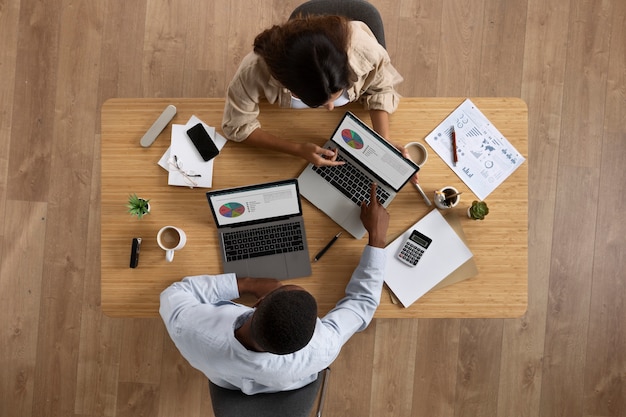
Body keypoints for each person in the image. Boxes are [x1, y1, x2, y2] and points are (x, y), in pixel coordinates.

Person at [159, 183, 390, 394]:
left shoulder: (191, 330)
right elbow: (362, 303)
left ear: (257, 302)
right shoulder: (322, 348)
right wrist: (377, 239)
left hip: (222, 371)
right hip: (281, 379)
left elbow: (173, 294)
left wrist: (248, 283)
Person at [221, 14, 407, 169]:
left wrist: (383, 142)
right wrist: (297, 149)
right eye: (319, 103)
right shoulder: (254, 70)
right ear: (285, 84)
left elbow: (380, 89)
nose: (331, 108)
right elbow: (237, 126)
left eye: (336, 95)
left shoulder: (366, 51)